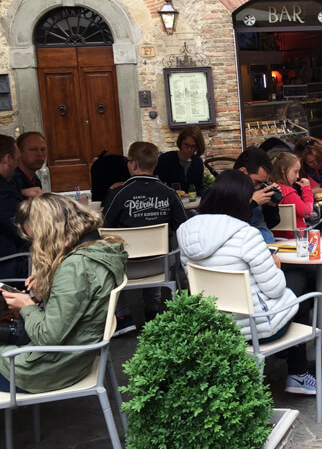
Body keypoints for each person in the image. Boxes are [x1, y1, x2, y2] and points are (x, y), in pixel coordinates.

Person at [176, 170, 322, 396]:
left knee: (293, 285)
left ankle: (291, 366)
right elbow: (275, 289)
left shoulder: (185, 233)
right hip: (257, 329)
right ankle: (297, 373)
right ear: (241, 201)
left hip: (213, 326)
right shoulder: (246, 235)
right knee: (298, 282)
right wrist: (275, 266)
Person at [0, 193, 126, 393]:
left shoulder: (76, 268)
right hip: (71, 358)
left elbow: (48, 336)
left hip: (44, 369)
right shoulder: (99, 250)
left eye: (37, 239)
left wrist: (26, 306)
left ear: (51, 233)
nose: (36, 246)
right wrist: (49, 284)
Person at [103, 141, 188, 334]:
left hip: (126, 268)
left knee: (108, 249)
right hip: (160, 265)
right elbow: (183, 226)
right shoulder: (169, 193)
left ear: (132, 164)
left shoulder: (118, 194)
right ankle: (153, 311)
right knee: (160, 247)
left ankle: (123, 317)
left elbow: (105, 229)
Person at [234, 147, 282, 243]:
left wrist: (272, 206)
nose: (259, 187)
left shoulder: (258, 190)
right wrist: (253, 203)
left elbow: (272, 223)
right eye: (257, 182)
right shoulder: (222, 191)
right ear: (243, 172)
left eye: (263, 183)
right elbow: (228, 225)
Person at [270, 152, 314, 238]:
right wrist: (307, 189)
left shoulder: (271, 188)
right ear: (283, 169)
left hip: (277, 237)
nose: (297, 176)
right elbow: (306, 212)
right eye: (295, 172)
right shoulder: (288, 193)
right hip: (295, 238)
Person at [154, 125, 207, 196]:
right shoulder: (166, 159)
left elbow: (199, 187)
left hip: (191, 203)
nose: (189, 150)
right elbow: (157, 184)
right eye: (186, 145)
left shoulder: (198, 162)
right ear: (180, 142)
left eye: (193, 146)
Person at [0, 135, 26, 278]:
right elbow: (21, 230)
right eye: (16, 159)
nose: (17, 165)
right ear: (7, 158)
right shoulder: (4, 192)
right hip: (7, 267)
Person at [11, 132, 46, 198]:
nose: (40, 154)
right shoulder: (12, 180)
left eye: (43, 149)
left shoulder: (35, 179)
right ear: (19, 152)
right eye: (33, 149)